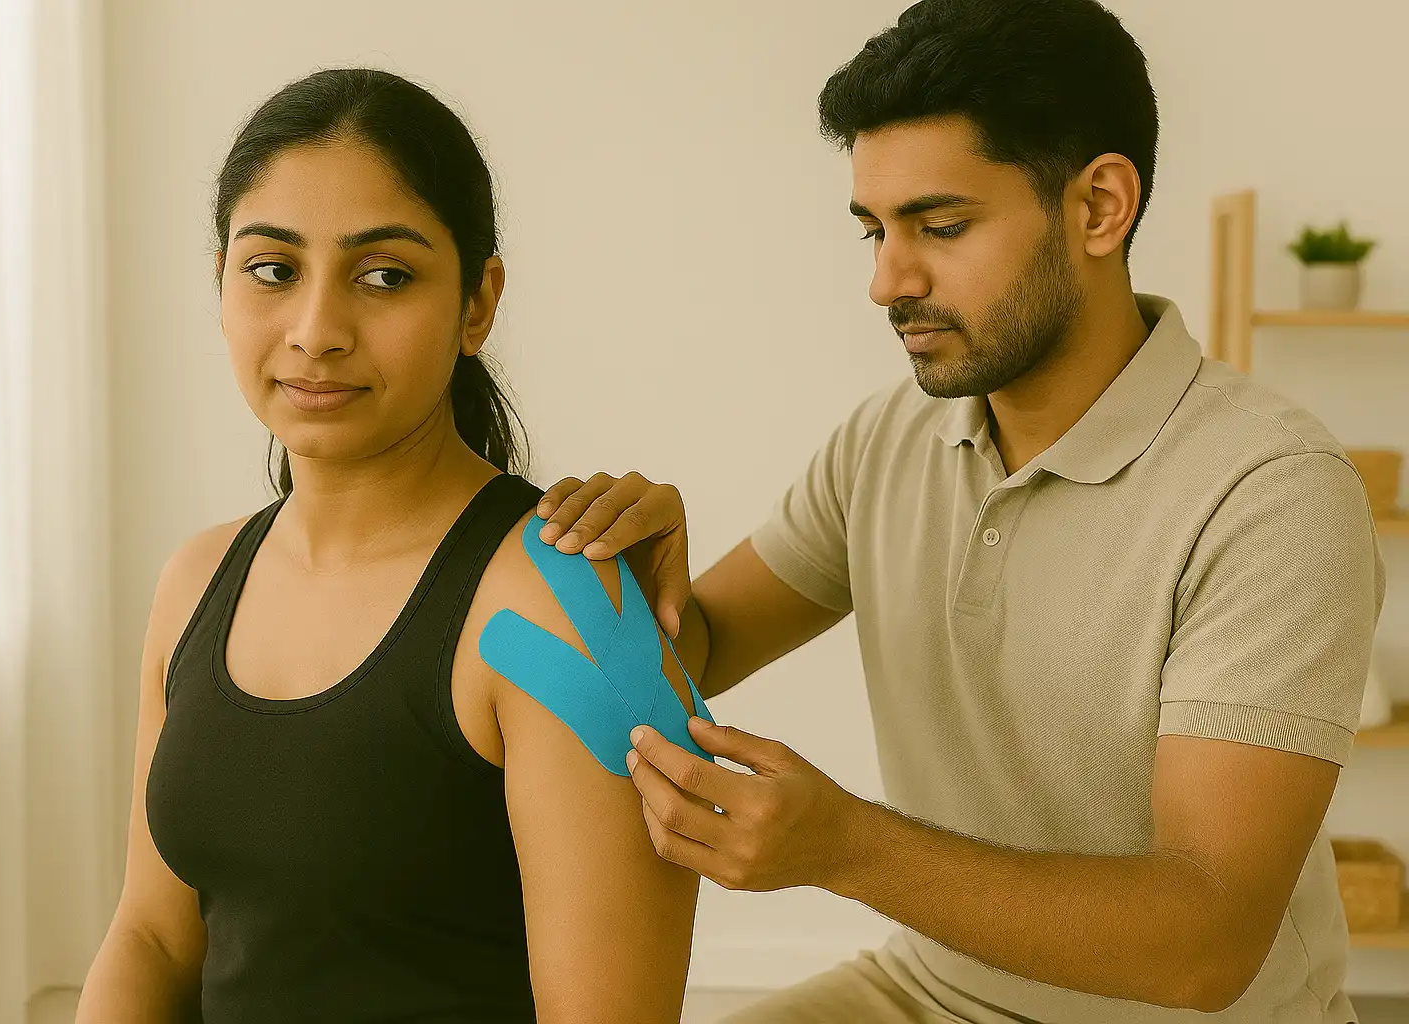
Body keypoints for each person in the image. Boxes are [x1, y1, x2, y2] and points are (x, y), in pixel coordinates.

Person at [535, 1, 1386, 1021]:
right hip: (927, 991)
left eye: (941, 226)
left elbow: (1204, 944)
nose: (888, 281)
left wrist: (843, 845)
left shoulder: (1271, 491)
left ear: (1101, 206)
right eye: (874, 230)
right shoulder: (888, 439)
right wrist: (639, 587)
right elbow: (699, 647)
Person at [75, 68, 699, 1024]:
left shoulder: (562, 604)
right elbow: (153, 938)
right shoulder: (196, 578)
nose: (317, 332)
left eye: (385, 276)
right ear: (222, 283)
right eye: (273, 270)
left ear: (478, 304)